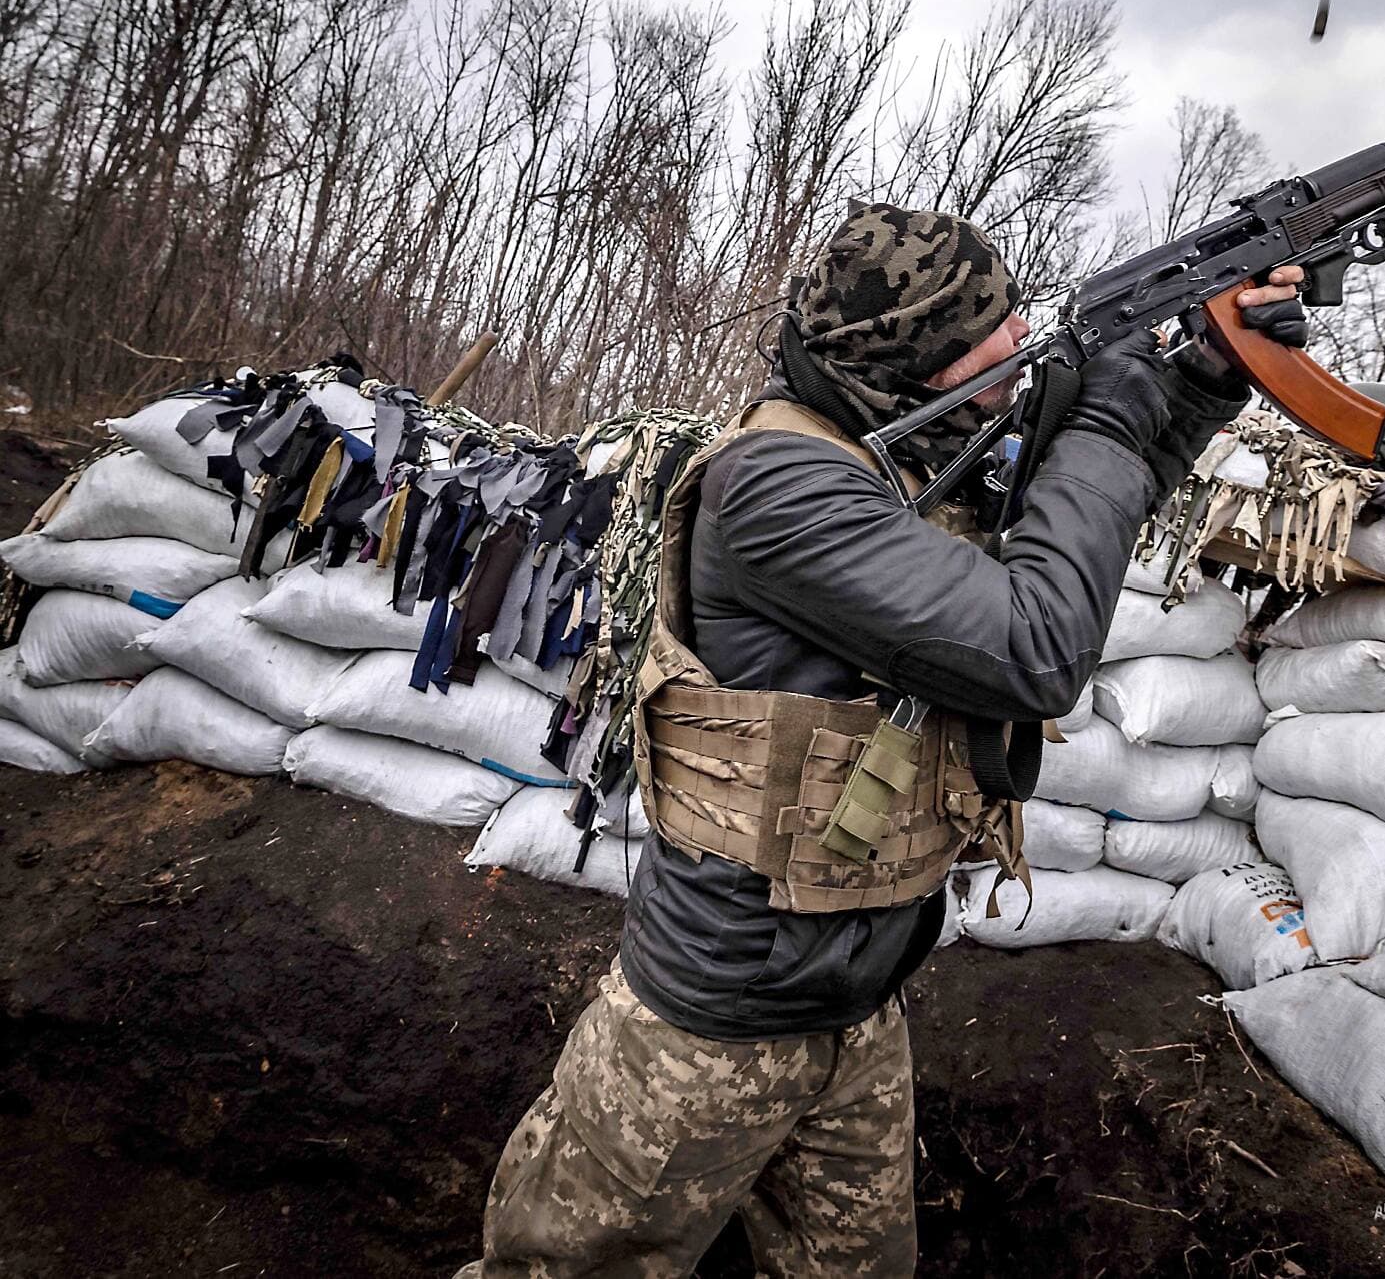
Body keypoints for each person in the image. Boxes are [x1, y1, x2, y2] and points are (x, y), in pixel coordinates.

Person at [456, 203, 1307, 1278]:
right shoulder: (775, 484)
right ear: (898, 371)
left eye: (1013, 331)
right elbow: (1033, 642)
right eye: (983, 347)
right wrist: (1101, 420)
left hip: (854, 1014)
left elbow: (1086, 515)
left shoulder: (908, 462)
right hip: (708, 1031)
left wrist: (1195, 381)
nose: (1013, 361)